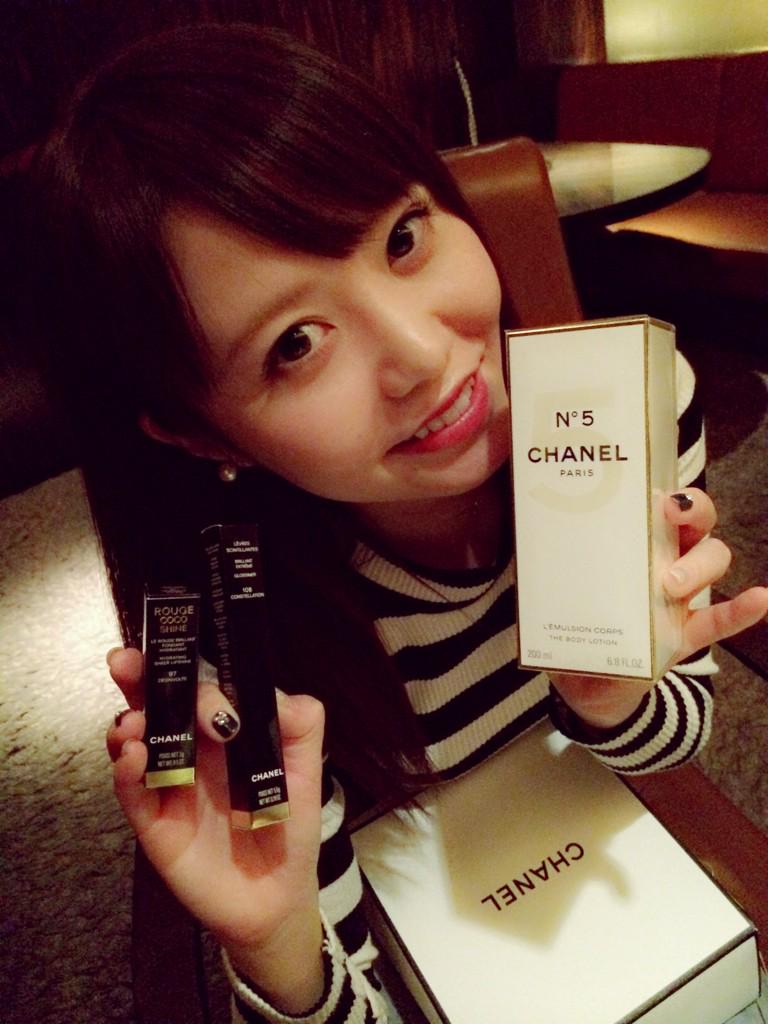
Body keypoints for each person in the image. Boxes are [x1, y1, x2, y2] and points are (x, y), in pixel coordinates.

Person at [26, 22, 767, 1024]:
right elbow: (343, 980)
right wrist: (278, 949)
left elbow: (674, 735)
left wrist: (611, 695)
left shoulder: (634, 405)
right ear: (205, 436)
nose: (420, 354)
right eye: (296, 343)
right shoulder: (243, 637)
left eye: (403, 239)